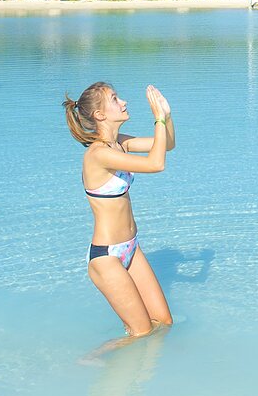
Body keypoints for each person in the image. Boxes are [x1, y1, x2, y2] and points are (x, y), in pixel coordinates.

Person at [64, 82, 175, 342]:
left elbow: (166, 145)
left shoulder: (119, 144)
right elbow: (156, 163)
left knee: (164, 323)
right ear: (100, 115)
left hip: (131, 248)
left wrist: (166, 117)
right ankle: (95, 360)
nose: (123, 102)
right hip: (107, 257)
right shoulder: (98, 154)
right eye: (115, 99)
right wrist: (157, 118)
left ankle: (150, 375)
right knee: (141, 332)